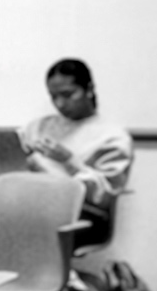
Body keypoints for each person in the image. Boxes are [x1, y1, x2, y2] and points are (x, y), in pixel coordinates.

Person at [19, 58, 132, 250]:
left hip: (82, 211)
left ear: (88, 89)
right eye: (53, 96)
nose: (60, 104)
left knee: (16, 228)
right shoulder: (39, 126)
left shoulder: (112, 136)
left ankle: (52, 276)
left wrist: (69, 161)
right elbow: (11, 155)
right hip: (34, 204)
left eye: (67, 94)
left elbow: (104, 196)